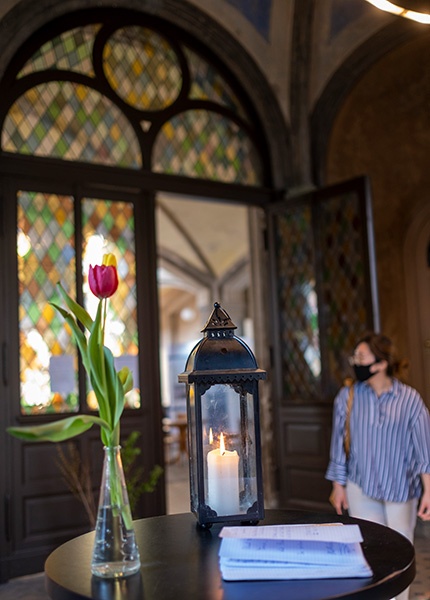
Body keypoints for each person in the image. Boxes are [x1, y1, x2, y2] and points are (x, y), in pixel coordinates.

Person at [326, 331, 430, 600]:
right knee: (370, 552)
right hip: (361, 486)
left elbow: (424, 449)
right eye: (355, 357)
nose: (355, 362)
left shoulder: (410, 400)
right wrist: (338, 486)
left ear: (381, 364)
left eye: (361, 357)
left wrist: (429, 490)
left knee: (401, 554)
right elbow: (339, 444)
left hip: (401, 488)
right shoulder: (347, 397)